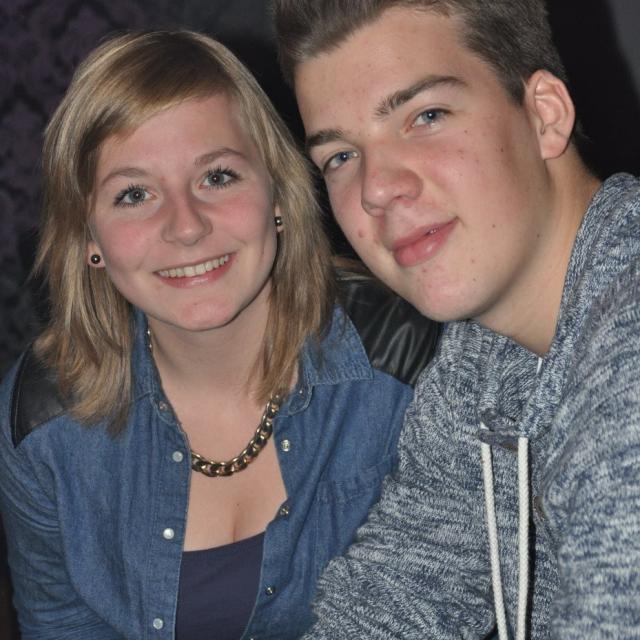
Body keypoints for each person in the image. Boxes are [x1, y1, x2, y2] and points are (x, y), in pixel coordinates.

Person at [0, 30, 440, 639]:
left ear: (278, 193)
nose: (185, 226)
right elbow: (62, 625)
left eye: (218, 177)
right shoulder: (41, 416)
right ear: (88, 239)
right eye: (134, 194)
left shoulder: (416, 363)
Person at [272, 0, 640, 637]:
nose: (376, 189)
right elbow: (404, 589)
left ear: (545, 115)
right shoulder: (485, 357)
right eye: (341, 157)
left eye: (426, 116)